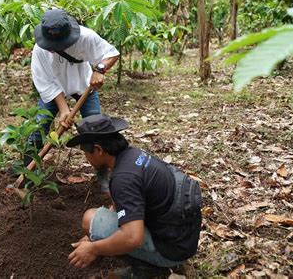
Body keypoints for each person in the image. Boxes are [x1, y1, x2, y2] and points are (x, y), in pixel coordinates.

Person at [65, 114, 202, 278]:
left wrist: (94, 248)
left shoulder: (123, 179)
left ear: (99, 150)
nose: (86, 159)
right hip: (182, 238)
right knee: (98, 226)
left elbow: (133, 238)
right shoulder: (134, 156)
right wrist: (94, 236)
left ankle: (149, 269)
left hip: (171, 251)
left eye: (85, 152)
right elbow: (124, 204)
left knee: (90, 219)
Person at [26, 8, 119, 191]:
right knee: (38, 129)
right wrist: (63, 109)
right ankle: (28, 176)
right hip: (54, 91)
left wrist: (99, 69)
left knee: (95, 130)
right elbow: (45, 83)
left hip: (84, 86)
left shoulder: (86, 37)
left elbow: (112, 53)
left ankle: (102, 178)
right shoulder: (40, 50)